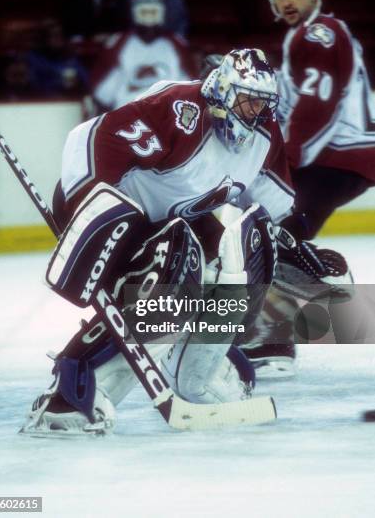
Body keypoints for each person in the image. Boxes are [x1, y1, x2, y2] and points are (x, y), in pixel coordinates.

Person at [20, 48, 349, 436]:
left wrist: (295, 250)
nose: (256, 114)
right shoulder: (181, 110)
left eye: (263, 104)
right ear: (224, 92)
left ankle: (199, 371)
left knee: (245, 244)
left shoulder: (263, 137)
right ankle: (70, 392)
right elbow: (88, 138)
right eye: (248, 101)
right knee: (178, 263)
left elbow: (272, 213)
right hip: (111, 216)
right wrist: (92, 212)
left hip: (172, 224)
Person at [242, 0, 375, 373]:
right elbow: (297, 103)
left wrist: (289, 163)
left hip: (339, 157)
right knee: (277, 241)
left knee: (273, 240)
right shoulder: (305, 36)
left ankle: (283, 329)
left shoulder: (318, 33)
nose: (287, 0)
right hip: (341, 159)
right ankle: (274, 338)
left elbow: (319, 108)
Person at [88, 0, 197, 114]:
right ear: (135, 14)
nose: (149, 18)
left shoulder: (177, 44)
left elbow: (190, 87)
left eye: (153, 12)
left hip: (167, 114)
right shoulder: (118, 43)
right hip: (127, 113)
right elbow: (102, 94)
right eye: (144, 12)